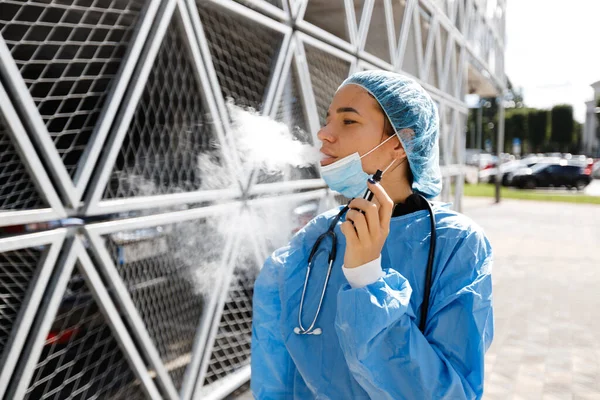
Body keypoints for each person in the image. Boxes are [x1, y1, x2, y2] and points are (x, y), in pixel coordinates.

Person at [251, 70, 494, 399]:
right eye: (327, 120)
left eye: (348, 121)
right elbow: (274, 377)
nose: (324, 134)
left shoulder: (458, 245)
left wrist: (367, 277)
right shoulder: (312, 240)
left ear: (399, 142)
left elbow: (453, 393)